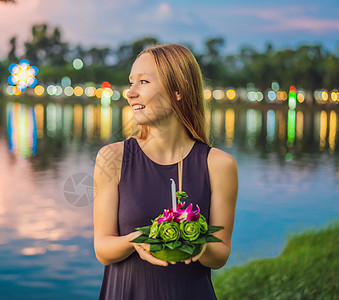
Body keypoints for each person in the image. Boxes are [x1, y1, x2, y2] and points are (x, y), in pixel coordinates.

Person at [93, 44, 238, 300]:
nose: (130, 92)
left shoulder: (219, 165)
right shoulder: (113, 158)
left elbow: (221, 255)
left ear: (178, 90)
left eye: (143, 82)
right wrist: (139, 239)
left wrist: (196, 242)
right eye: (131, 82)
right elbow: (103, 248)